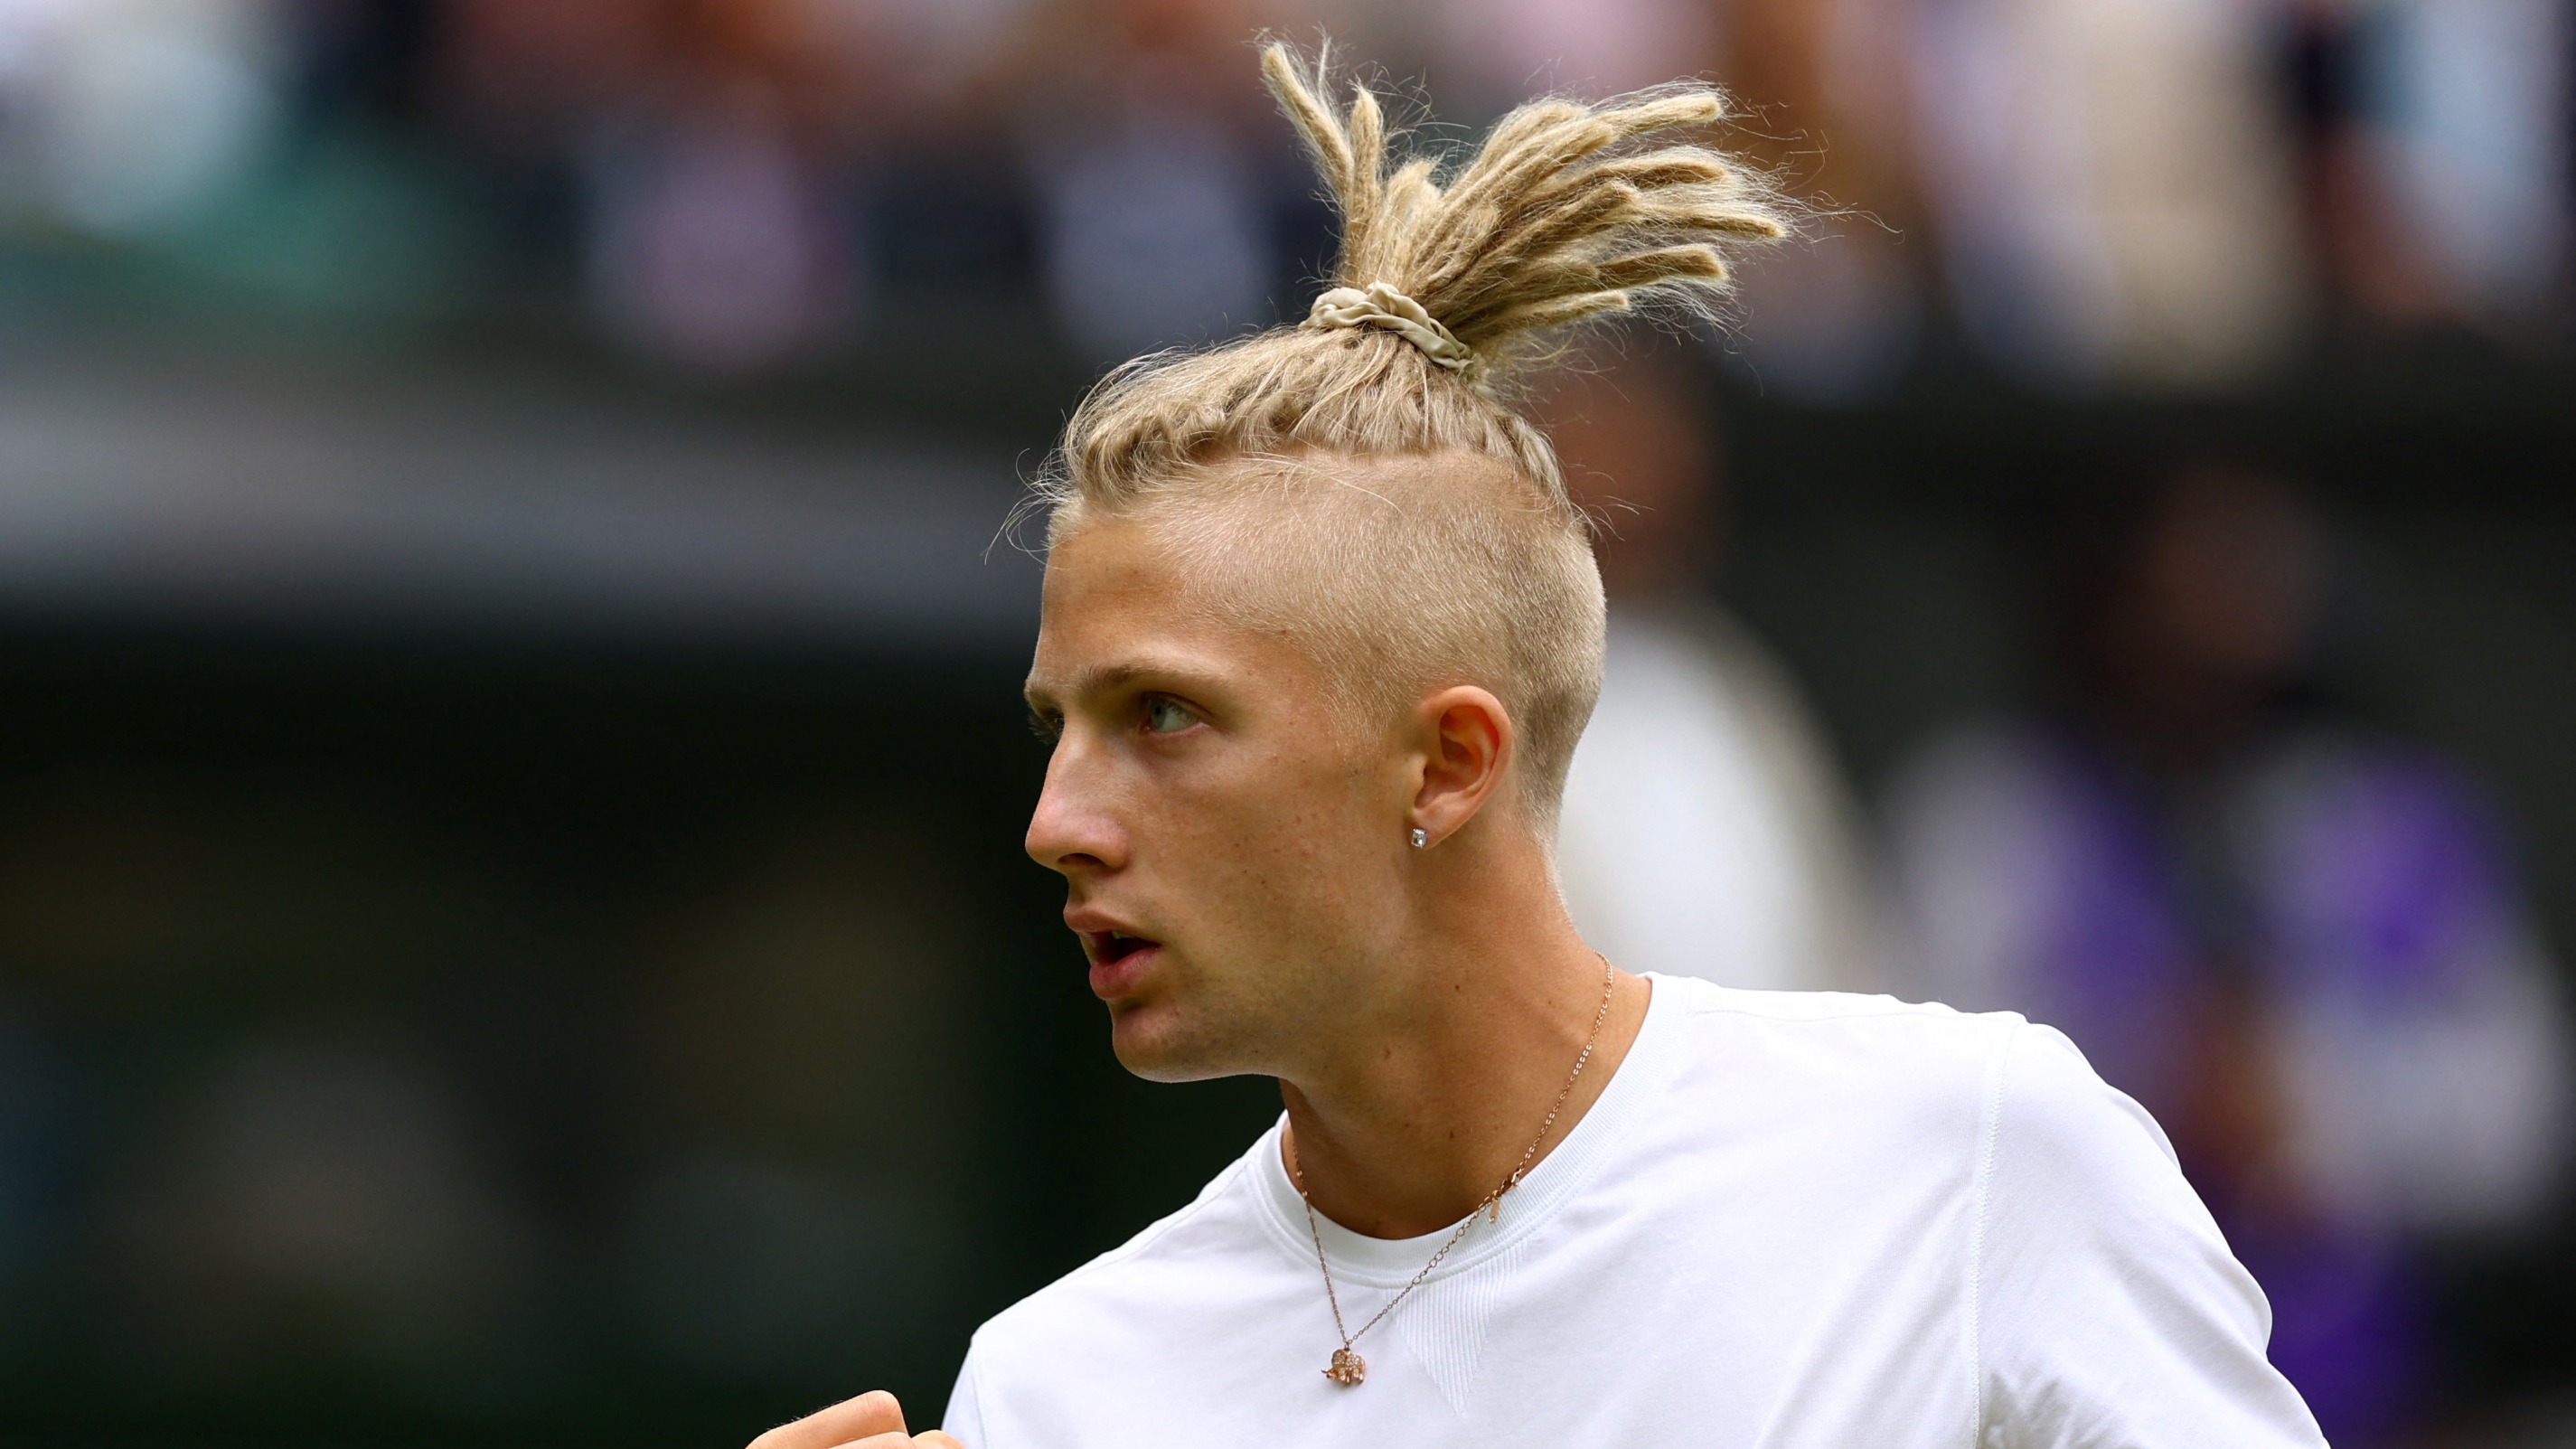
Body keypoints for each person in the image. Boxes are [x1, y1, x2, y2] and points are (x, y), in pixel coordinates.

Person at [749, 43, 2327, 1448]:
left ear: (1445, 763)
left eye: (1161, 716)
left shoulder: (1970, 1154)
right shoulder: (1054, 1391)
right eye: (1060, 726)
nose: (1057, 820)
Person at [1885, 461, 2566, 1446]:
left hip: (2383, 1377)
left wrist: (2313, 1102)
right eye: (2175, 592)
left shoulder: (2394, 822)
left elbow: (2518, 1114)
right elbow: (1925, 1090)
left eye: (2247, 584)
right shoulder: (1989, 821)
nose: (2209, 631)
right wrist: (2157, 1079)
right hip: (2071, 1371)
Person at [1542, 353, 1885, 994]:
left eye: (1665, 442)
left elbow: (1844, 929)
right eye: (1607, 439)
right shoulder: (1494, 685)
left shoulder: (1732, 678)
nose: (1646, 480)